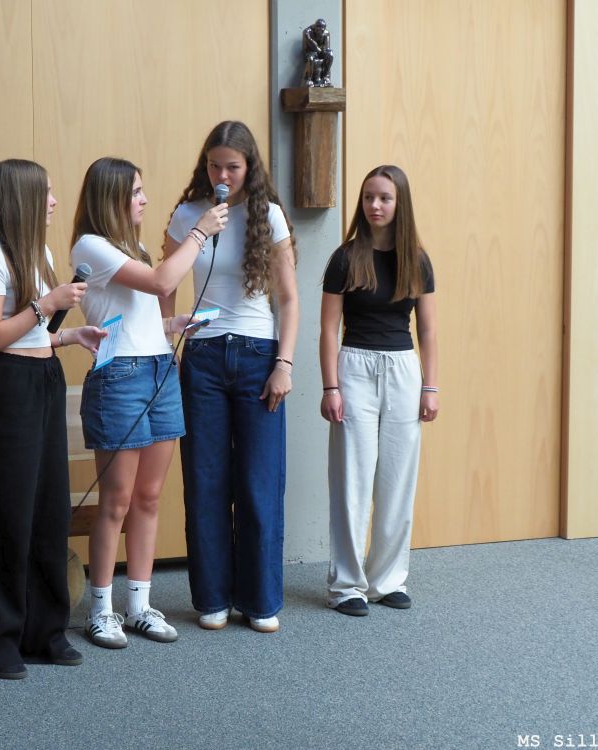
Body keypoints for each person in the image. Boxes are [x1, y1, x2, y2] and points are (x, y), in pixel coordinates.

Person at [70, 156, 227, 649]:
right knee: (115, 500)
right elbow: (162, 282)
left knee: (149, 497)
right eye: (136, 192)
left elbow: (136, 314)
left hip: (159, 369)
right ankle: (102, 609)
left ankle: (139, 605)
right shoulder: (90, 245)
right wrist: (199, 232)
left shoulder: (131, 247)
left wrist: (170, 326)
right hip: (120, 378)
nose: (144, 199)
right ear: (112, 197)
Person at [0, 158, 106, 679]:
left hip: (44, 380)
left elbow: (30, 333)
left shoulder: (39, 253)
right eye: (45, 192)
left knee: (48, 512)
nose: (54, 201)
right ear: (21, 199)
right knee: (6, 516)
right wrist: (47, 304)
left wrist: (68, 335)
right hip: (7, 391)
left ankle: (44, 633)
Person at [164, 120, 299, 634]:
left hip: (258, 355)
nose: (222, 176)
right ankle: (213, 596)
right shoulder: (188, 214)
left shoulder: (270, 215)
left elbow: (288, 298)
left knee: (260, 480)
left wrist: (284, 364)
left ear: (250, 167)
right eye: (214, 166)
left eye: (233, 167)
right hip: (202, 356)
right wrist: (169, 345)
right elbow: (165, 285)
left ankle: (260, 600)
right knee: (205, 480)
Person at [319, 164, 439, 617]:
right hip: (354, 367)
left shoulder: (417, 260)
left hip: (404, 370)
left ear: (399, 203)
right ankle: (347, 585)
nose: (375, 205)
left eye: (385, 198)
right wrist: (331, 386)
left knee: (397, 479)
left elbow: (427, 330)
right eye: (369, 197)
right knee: (352, 478)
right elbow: (328, 329)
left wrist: (430, 386)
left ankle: (388, 580)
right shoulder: (345, 258)